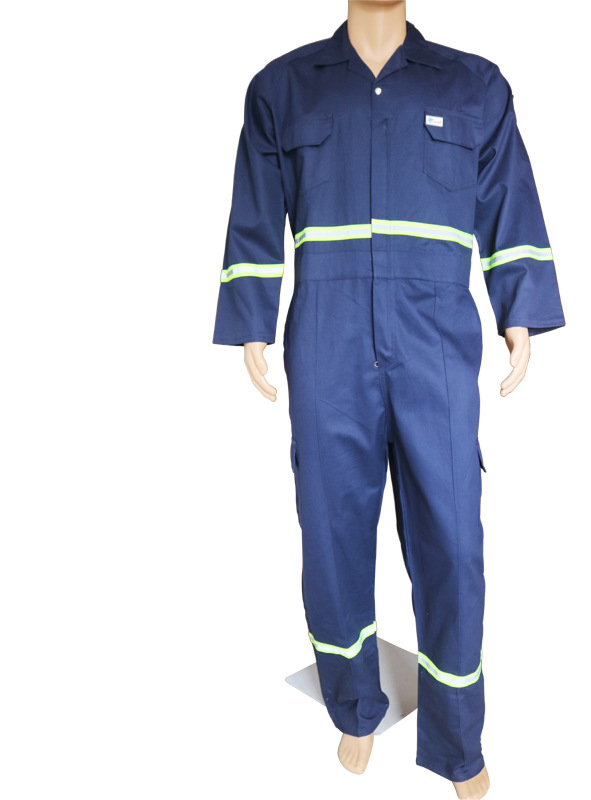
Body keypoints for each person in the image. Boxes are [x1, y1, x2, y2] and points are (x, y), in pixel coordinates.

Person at [212, 4, 565, 797]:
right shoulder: (282, 88)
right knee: (331, 536)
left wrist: (519, 308)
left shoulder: (475, 86)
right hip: (326, 339)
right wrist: (251, 321)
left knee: (454, 542)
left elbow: (508, 201)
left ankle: (457, 739)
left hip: (435, 339)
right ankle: (354, 705)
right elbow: (255, 216)